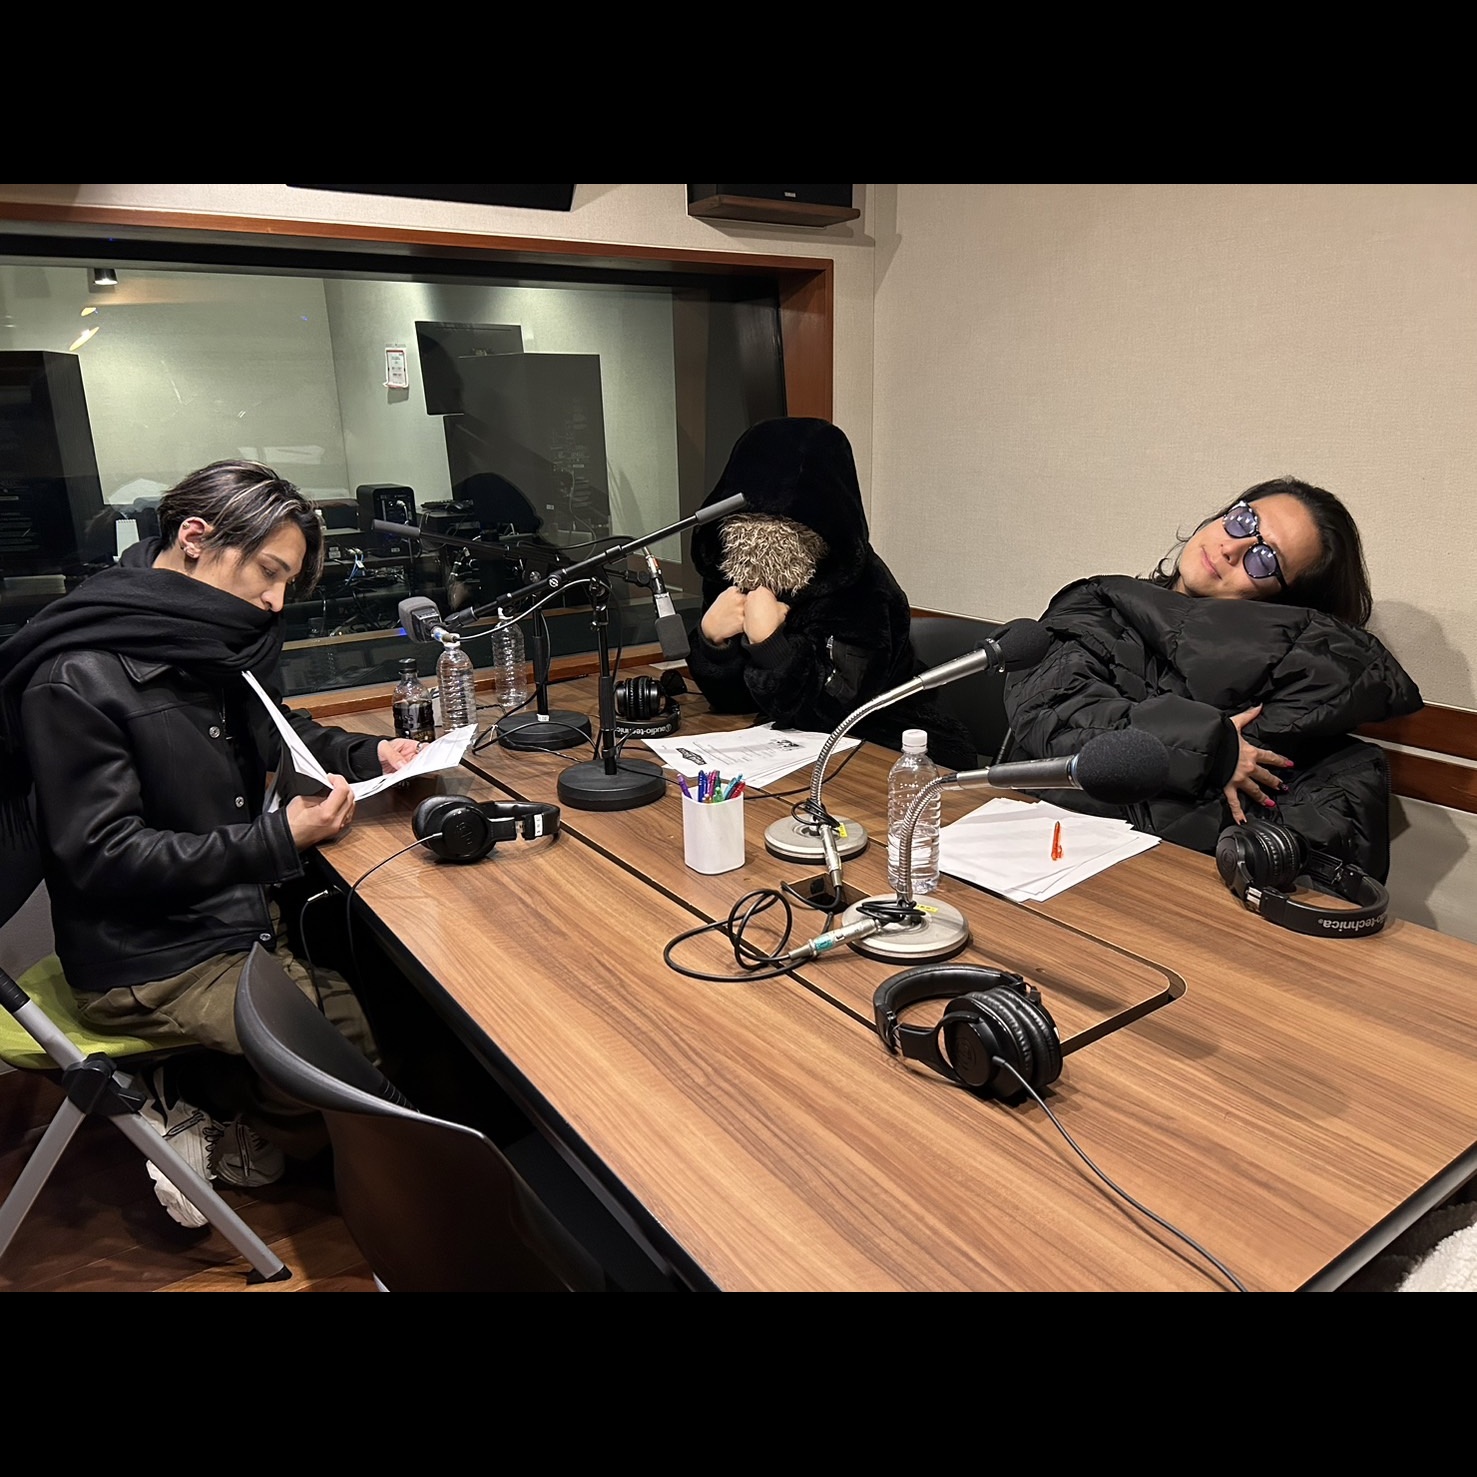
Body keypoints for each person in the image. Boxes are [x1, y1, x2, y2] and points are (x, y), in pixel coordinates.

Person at [0, 460, 422, 1223]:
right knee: (340, 1038)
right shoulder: (76, 673)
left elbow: (280, 732)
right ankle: (229, 1126)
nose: (276, 600)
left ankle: (203, 1093)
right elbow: (102, 856)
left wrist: (371, 754)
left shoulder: (206, 639)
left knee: (376, 985)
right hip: (148, 955)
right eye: (270, 572)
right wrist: (276, 837)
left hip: (226, 915)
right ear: (196, 537)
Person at [1002, 477, 1422, 879]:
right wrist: (1211, 749)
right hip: (1037, 847)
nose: (1232, 548)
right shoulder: (1101, 606)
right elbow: (1055, 713)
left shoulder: (1283, 685)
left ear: (1285, 600)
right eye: (1243, 520)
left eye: (1265, 559)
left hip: (1164, 883)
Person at [685, 417, 976, 769]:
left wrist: (770, 646)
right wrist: (712, 643)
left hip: (884, 746)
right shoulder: (733, 571)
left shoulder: (859, 585)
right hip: (774, 751)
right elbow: (730, 701)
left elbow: (833, 711)